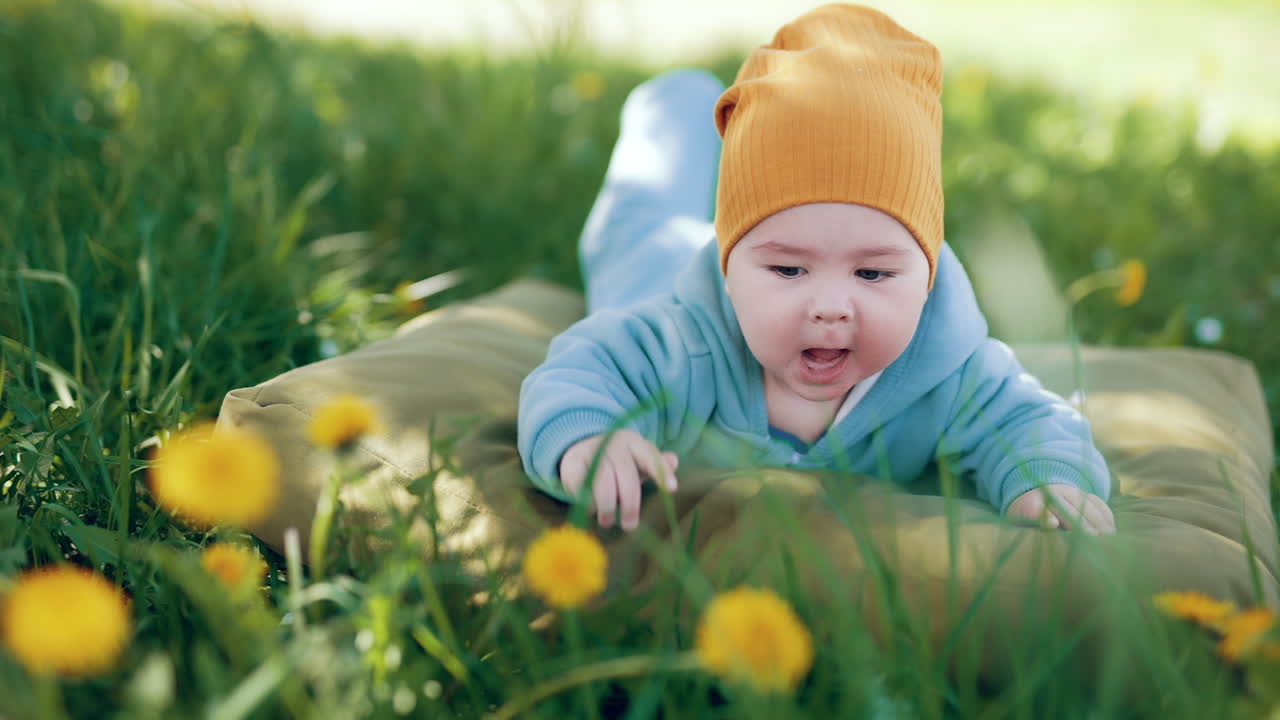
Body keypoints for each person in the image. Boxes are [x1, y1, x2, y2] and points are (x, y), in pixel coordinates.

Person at [518, 3, 1115, 536]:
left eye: (872, 275)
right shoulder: (681, 341)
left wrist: (1046, 478)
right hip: (654, 266)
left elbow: (1030, 420)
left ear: (928, 273)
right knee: (645, 216)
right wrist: (589, 436)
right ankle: (674, 107)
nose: (830, 306)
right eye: (788, 270)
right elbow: (582, 370)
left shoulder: (948, 368)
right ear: (729, 267)